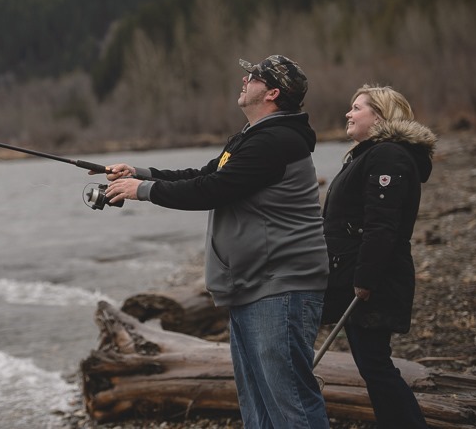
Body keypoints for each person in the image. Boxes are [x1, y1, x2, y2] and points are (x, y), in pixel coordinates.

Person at [99, 55, 330, 428]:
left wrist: (141, 190)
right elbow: (204, 173)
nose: (244, 78)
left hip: (280, 287)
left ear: (273, 93)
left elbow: (212, 190)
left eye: (254, 76)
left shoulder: (277, 140)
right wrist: (139, 172)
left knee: (290, 404)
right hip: (254, 285)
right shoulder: (251, 137)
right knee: (256, 401)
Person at [321, 85, 437, 428]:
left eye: (357, 108)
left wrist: (364, 280)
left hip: (372, 280)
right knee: (373, 366)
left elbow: (382, 225)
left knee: (375, 366)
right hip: (355, 274)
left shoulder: (387, 156)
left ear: (380, 116)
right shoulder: (369, 155)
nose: (348, 113)